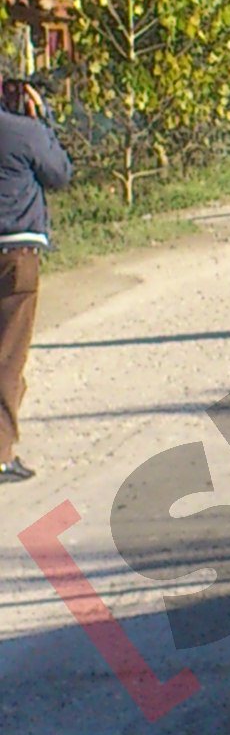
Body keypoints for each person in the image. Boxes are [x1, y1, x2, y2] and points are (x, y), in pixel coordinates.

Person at [0, 79, 73, 483]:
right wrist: (42, 120)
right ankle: (1, 452)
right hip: (16, 253)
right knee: (8, 353)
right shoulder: (24, 132)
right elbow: (60, 174)